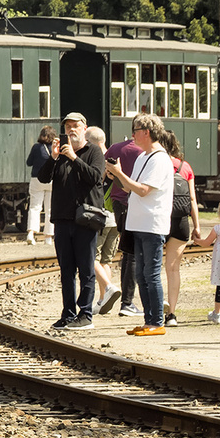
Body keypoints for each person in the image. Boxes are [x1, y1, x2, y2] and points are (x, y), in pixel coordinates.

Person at [106, 114, 173, 336]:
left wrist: (119, 173)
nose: (132, 134)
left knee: (151, 274)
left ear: (147, 132)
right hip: (139, 222)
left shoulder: (159, 159)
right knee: (142, 275)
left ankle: (157, 321)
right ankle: (149, 320)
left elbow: (144, 190)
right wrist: (115, 176)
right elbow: (129, 188)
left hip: (152, 223)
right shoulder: (144, 156)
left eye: (135, 130)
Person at [36, 113, 105, 330]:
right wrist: (54, 158)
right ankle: (67, 313)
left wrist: (75, 158)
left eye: (76, 126)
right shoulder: (61, 154)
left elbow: (95, 177)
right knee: (66, 270)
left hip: (85, 219)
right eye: (68, 127)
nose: (71, 130)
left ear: (84, 128)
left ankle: (85, 314)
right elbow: (43, 178)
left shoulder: (93, 151)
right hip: (63, 219)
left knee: (86, 269)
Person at [160, 130, 201, 326]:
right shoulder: (185, 167)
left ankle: (156, 308)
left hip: (159, 219)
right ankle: (172, 315)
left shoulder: (155, 163)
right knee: (173, 269)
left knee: (151, 268)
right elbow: (192, 199)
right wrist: (197, 226)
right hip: (180, 222)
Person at [104, 128, 144, 317]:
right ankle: (127, 302)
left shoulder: (115, 148)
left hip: (118, 202)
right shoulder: (143, 152)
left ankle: (126, 301)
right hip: (134, 203)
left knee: (127, 253)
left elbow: (105, 172)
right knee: (133, 254)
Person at [85, 126, 121, 314]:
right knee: (106, 261)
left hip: (101, 216)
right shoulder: (115, 159)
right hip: (116, 217)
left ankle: (108, 288)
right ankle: (102, 300)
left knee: (91, 257)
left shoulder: (98, 161)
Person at [24, 125, 56, 245]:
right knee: (50, 209)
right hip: (52, 181)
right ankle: (48, 237)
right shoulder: (55, 148)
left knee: (35, 207)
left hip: (37, 180)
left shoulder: (36, 147)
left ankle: (31, 234)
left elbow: (29, 163)